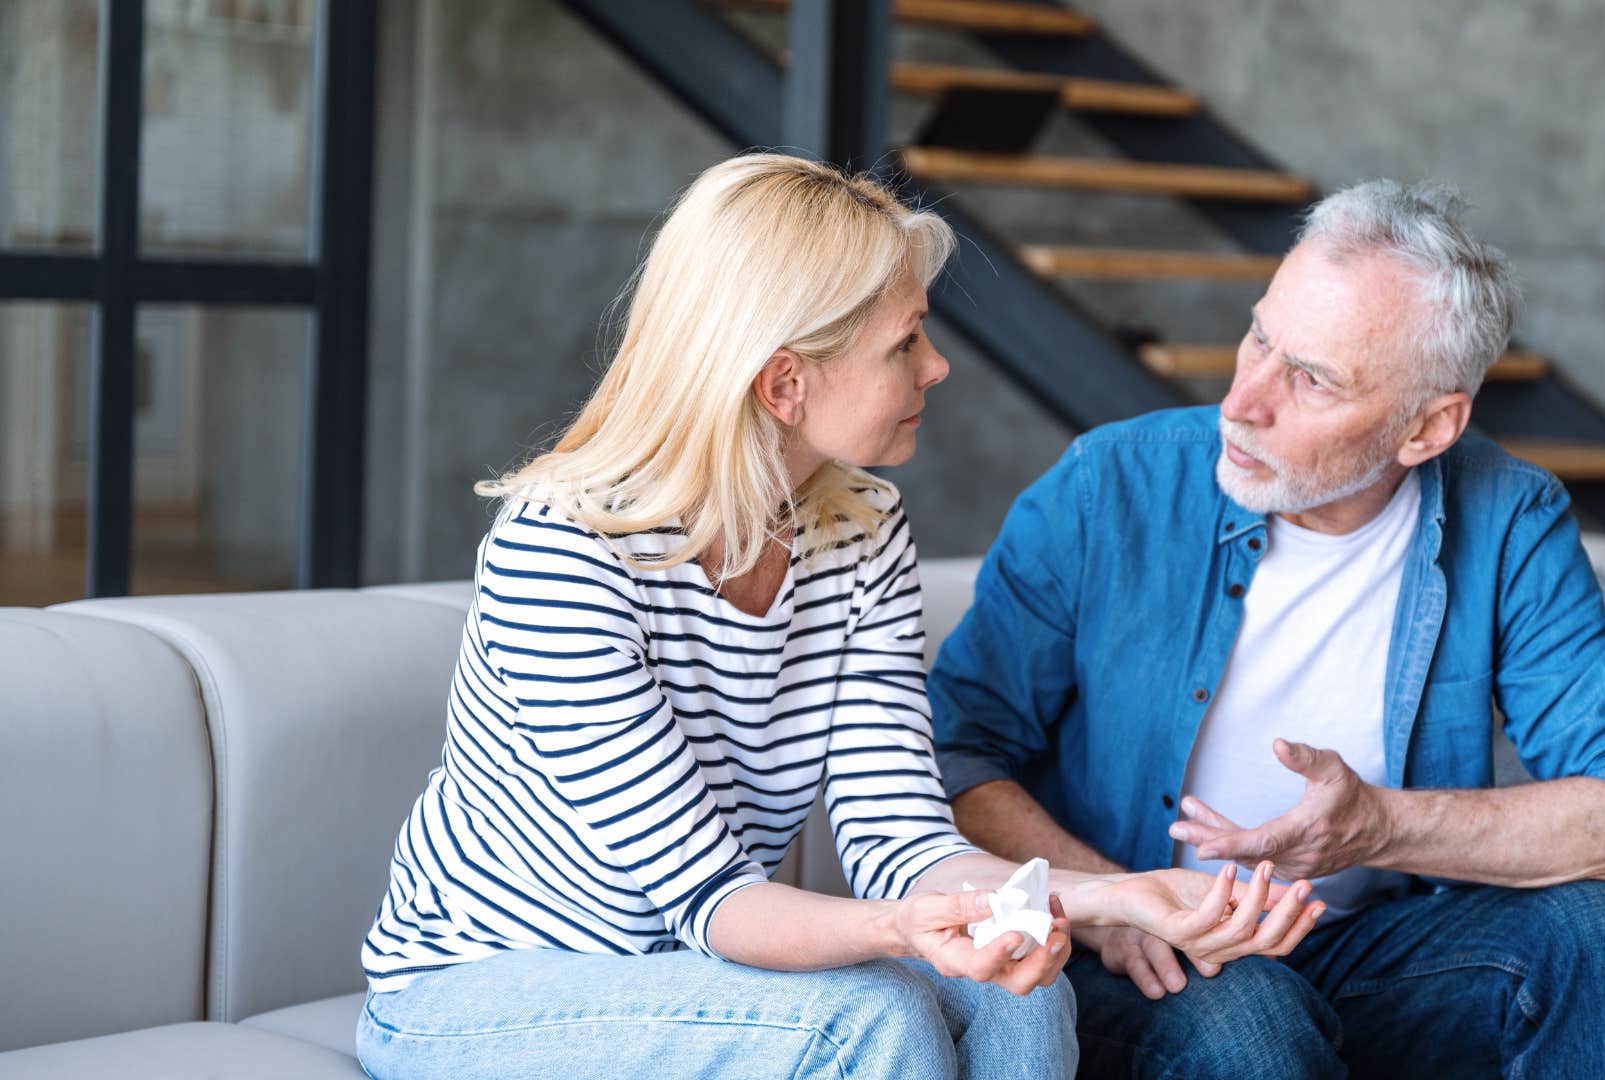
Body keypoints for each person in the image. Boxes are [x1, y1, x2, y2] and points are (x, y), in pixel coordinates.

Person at [356, 153, 1323, 1080]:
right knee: (872, 1017)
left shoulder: (860, 530)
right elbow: (713, 901)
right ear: (785, 383)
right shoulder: (562, 555)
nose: (937, 367)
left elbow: (901, 840)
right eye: (905, 342)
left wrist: (1124, 898)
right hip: (478, 990)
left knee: (1019, 987)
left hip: (692, 973)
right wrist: (904, 933)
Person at [931, 180, 1605, 1079]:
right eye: (1260, 336)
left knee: (1596, 935)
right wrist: (1114, 902)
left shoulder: (1510, 519)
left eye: (1313, 378)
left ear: (1428, 427)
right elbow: (955, 753)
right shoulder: (1110, 487)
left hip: (1368, 953)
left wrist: (1377, 827)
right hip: (1136, 952)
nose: (1244, 402)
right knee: (1246, 1016)